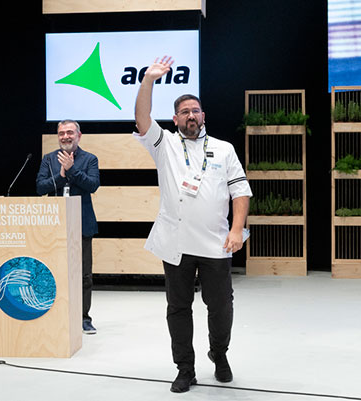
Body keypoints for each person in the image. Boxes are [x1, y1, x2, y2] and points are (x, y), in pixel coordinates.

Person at [133, 56, 252, 393]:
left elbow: (240, 192)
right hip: (176, 243)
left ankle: (219, 353)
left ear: (203, 116)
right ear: (175, 119)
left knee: (221, 307)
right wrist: (148, 80)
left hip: (217, 242)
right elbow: (142, 118)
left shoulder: (224, 149)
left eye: (195, 111)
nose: (190, 115)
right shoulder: (164, 144)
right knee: (178, 308)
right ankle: (185, 368)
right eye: (184, 111)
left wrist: (236, 229)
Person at [36, 119, 100, 334]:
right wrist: (61, 174)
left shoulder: (90, 159)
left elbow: (93, 185)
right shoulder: (48, 159)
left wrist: (72, 170)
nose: (65, 136)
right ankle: (56, 315)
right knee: (54, 273)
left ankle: (83, 318)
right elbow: (40, 187)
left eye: (70, 132)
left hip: (82, 225)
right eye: (62, 133)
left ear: (78, 135)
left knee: (83, 276)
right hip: (54, 227)